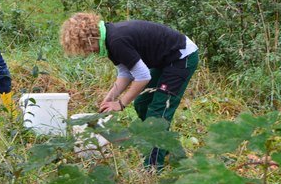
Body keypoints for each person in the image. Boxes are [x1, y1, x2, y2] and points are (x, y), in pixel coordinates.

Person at [60, 12, 199, 170]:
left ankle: (152, 169)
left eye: (87, 47)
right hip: (164, 61)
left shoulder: (116, 40)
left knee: (157, 112)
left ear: (91, 38)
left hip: (181, 57)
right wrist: (109, 99)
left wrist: (120, 103)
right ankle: (170, 151)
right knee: (142, 103)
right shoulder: (110, 41)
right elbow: (125, 73)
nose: (90, 52)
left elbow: (143, 76)